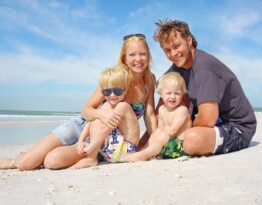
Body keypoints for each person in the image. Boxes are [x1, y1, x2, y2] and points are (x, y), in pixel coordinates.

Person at [0, 33, 157, 170]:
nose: (138, 59)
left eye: (142, 54)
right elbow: (86, 110)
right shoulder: (116, 77)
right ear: (124, 57)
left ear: (148, 55)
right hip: (82, 127)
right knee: (25, 164)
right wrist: (103, 116)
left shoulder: (149, 80)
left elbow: (149, 114)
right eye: (132, 55)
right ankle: (14, 160)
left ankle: (47, 154)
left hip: (106, 143)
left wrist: (155, 143)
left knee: (51, 161)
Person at [142, 19, 257, 156]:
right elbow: (161, 109)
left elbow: (208, 118)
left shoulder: (204, 67)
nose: (173, 54)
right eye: (167, 50)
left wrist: (178, 131)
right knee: (170, 102)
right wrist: (146, 142)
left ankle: (171, 146)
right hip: (215, 125)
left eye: (177, 46)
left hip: (237, 129)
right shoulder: (176, 69)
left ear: (189, 40)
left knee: (192, 139)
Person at [71, 67, 139, 169]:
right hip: (110, 150)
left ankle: (91, 158)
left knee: (102, 119)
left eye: (117, 91)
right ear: (102, 92)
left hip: (127, 150)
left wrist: (91, 148)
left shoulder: (123, 106)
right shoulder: (106, 105)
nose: (112, 95)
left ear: (125, 91)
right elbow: (90, 123)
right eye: (107, 92)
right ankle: (92, 157)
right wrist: (80, 141)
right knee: (97, 117)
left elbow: (105, 129)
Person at [126, 72, 192, 162]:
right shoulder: (161, 109)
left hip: (180, 148)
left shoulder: (182, 110)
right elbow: (159, 130)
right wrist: (148, 143)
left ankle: (144, 154)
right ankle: (144, 150)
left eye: (177, 93)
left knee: (162, 136)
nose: (172, 97)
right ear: (161, 94)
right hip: (167, 146)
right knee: (156, 133)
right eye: (168, 93)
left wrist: (159, 139)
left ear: (182, 94)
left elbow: (172, 131)